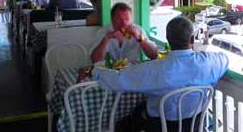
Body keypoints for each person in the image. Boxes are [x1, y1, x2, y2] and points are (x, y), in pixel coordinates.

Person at [93, 17, 228, 132]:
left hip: (160, 127)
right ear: (192, 39)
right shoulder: (209, 63)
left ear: (168, 40)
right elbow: (225, 59)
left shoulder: (153, 69)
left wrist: (95, 71)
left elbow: (118, 80)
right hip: (194, 125)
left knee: (124, 124)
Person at [91, 3, 158, 63]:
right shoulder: (103, 32)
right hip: (109, 72)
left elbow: (154, 55)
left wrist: (140, 38)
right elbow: (95, 60)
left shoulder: (138, 30)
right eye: (119, 19)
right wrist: (106, 39)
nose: (124, 23)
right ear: (112, 19)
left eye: (127, 19)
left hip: (132, 71)